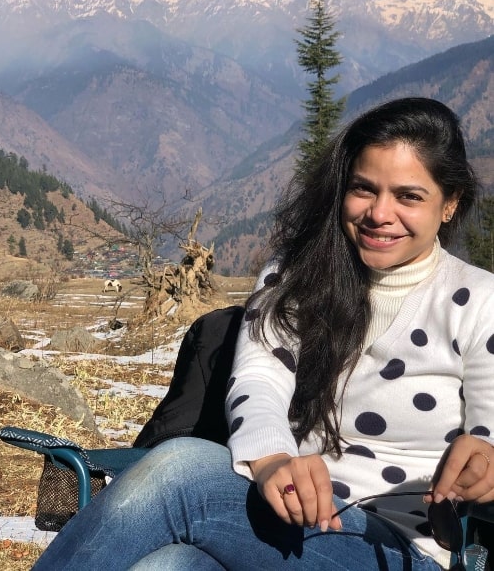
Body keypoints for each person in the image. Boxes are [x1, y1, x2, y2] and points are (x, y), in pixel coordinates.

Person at [33, 97, 494, 571]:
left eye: (408, 196)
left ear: (449, 203)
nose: (379, 213)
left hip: (398, 548)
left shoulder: (479, 302)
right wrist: (272, 459)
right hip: (281, 519)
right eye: (363, 188)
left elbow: (490, 426)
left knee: (179, 472)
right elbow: (260, 378)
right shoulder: (296, 276)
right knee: (167, 566)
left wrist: (486, 457)